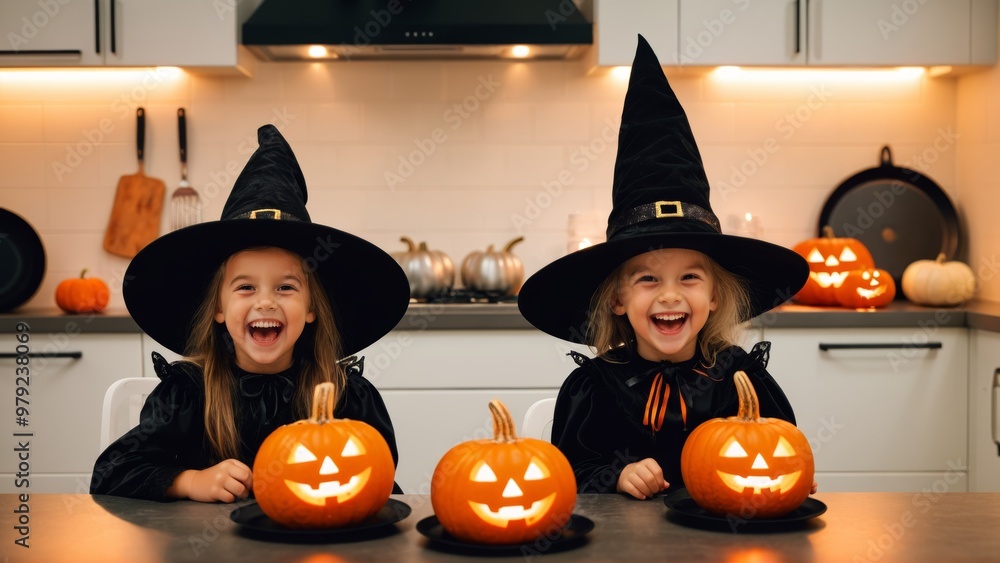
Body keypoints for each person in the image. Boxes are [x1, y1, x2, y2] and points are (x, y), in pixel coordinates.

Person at [517, 35, 815, 500]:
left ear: (715, 295)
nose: (670, 295)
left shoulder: (740, 379)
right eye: (648, 279)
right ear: (617, 298)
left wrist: (790, 477)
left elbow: (781, 452)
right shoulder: (594, 388)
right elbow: (562, 477)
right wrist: (614, 476)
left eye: (689, 277)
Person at [90, 125, 411, 502]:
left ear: (311, 310)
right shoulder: (189, 394)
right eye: (246, 287)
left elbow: (378, 481)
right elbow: (112, 473)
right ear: (218, 310)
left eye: (285, 287)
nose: (265, 302)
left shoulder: (347, 395)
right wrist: (191, 481)